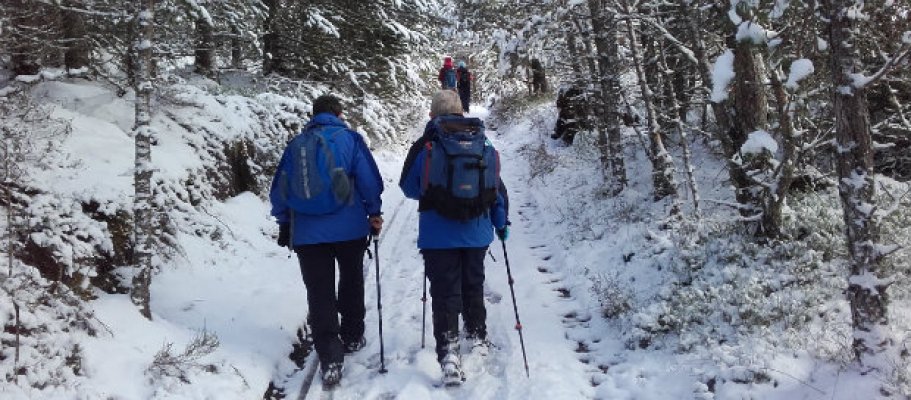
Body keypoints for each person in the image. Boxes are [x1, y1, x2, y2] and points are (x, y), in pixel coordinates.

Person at [269, 94, 384, 388]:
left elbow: (279, 189)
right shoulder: (350, 139)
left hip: (308, 233)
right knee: (351, 280)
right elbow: (370, 181)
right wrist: (373, 211)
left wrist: (284, 222)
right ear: (338, 113)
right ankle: (353, 336)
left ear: (313, 115)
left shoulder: (296, 145)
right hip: (349, 229)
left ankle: (330, 357)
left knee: (319, 292)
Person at [399, 90, 510, 385]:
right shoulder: (483, 142)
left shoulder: (426, 145)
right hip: (477, 232)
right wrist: (501, 223)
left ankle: (449, 353)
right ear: (461, 111)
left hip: (438, 234)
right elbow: (496, 188)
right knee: (473, 282)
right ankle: (477, 335)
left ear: (433, 114)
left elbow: (409, 188)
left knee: (445, 290)